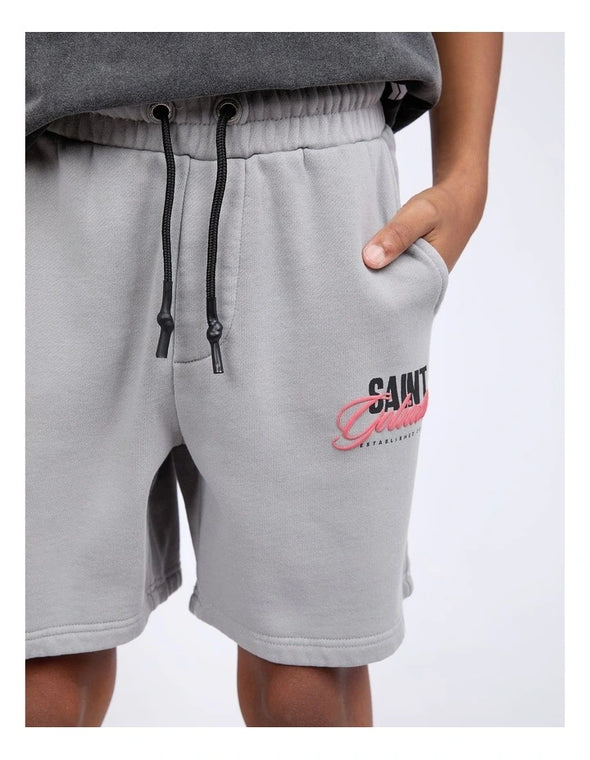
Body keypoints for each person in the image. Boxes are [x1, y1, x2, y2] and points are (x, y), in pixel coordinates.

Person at [25, 32, 502, 727]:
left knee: (309, 682)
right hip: (55, 174)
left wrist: (466, 173)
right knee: (36, 665)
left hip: (322, 180)